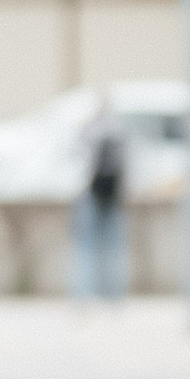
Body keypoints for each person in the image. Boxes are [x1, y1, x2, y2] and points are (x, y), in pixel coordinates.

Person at [69, 98, 129, 299]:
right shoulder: (118, 129)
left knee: (86, 247)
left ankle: (84, 295)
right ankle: (114, 296)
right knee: (113, 247)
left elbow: (80, 161)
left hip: (91, 191)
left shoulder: (89, 129)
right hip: (112, 193)